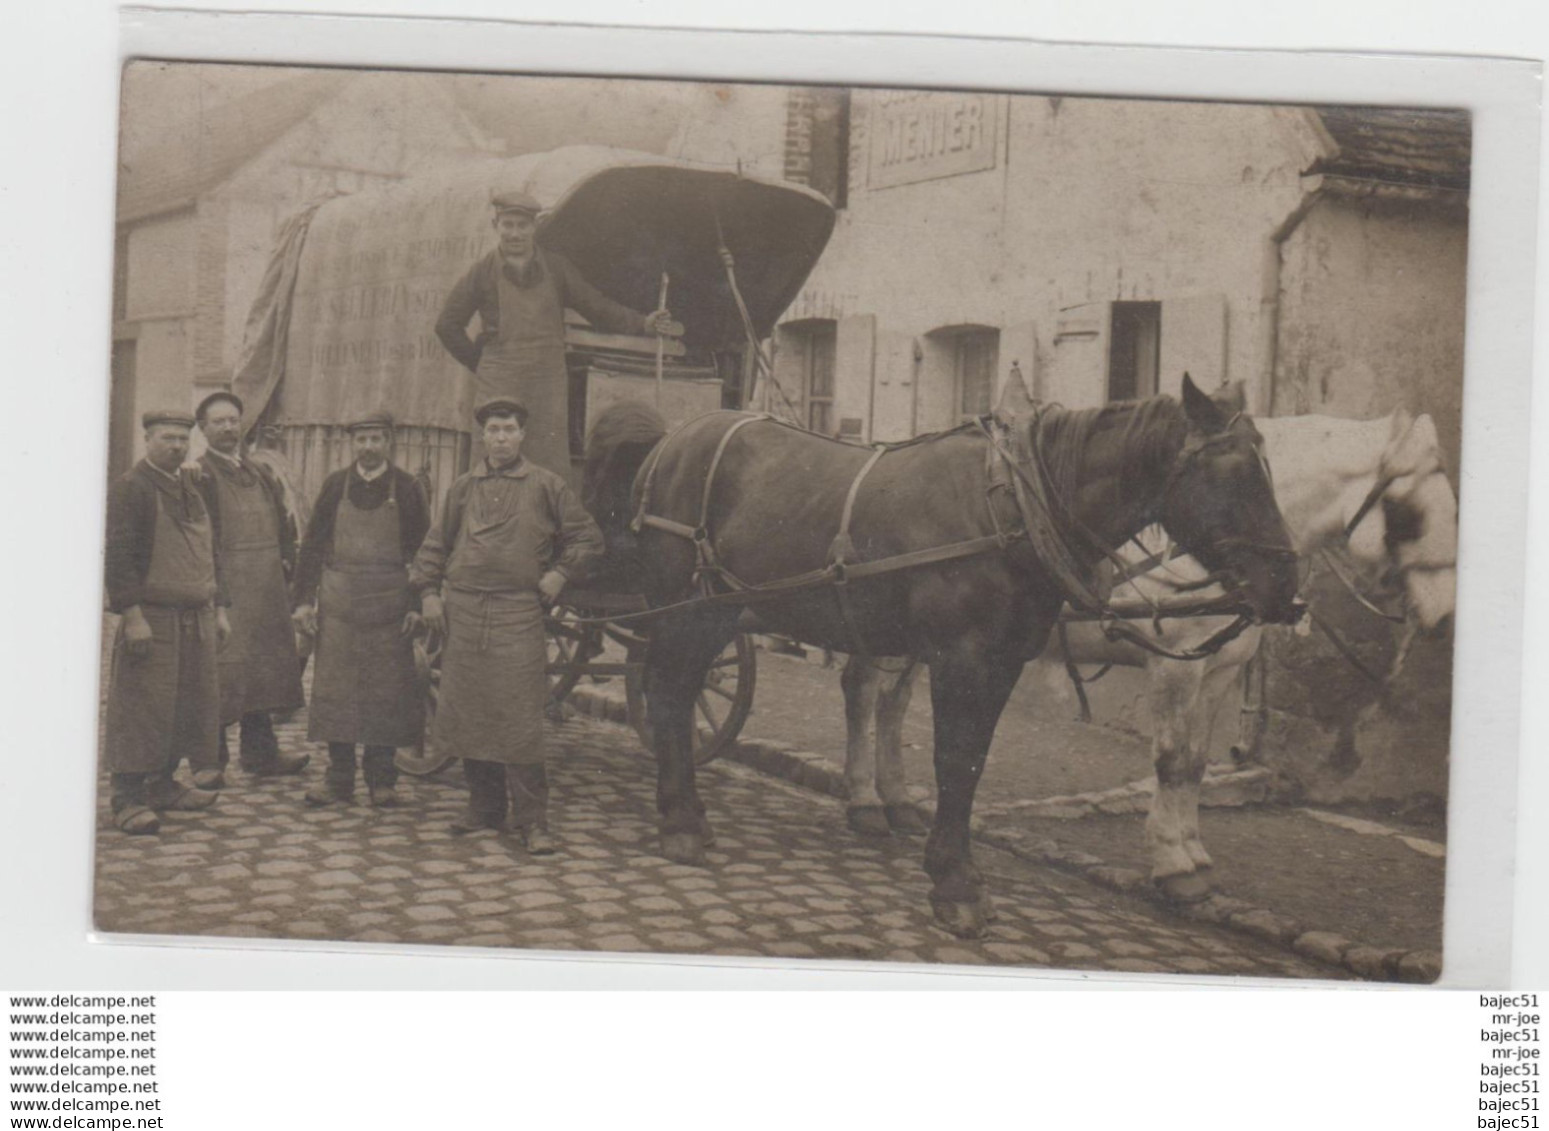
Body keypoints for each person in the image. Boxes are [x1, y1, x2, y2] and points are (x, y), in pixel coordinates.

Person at [410, 396, 604, 854]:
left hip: (518, 612)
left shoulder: (546, 485)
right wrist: (429, 592)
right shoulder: (462, 488)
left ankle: (534, 821)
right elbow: (435, 545)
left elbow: (588, 538)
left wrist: (559, 574)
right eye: (493, 430)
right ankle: (485, 808)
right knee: (469, 709)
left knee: (519, 717)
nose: (500, 438)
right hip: (465, 610)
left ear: (522, 436)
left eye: (508, 430)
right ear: (484, 437)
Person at [434, 189, 679, 477]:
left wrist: (643, 323)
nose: (515, 234)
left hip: (546, 381)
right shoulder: (482, 273)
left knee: (547, 466)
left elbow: (596, 306)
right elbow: (447, 325)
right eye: (507, 225)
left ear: (534, 227)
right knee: (494, 462)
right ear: (495, 226)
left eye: (522, 225)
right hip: (499, 381)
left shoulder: (556, 267)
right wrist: (482, 363)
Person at [291, 411, 431, 808]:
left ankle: (382, 780)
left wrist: (418, 604)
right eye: (362, 439)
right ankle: (338, 779)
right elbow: (312, 545)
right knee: (337, 691)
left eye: (376, 439)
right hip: (339, 604)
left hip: (390, 604)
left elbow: (423, 552)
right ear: (352, 444)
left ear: (389, 442)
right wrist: (303, 601)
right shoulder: (335, 485)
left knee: (387, 693)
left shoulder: (406, 488)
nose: (368, 447)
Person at [102, 410, 231, 834]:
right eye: (167, 439)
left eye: (182, 439)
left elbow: (213, 552)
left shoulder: (193, 485)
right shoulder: (131, 488)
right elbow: (118, 558)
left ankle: (163, 785)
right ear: (148, 439)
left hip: (197, 615)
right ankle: (127, 797)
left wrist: (221, 609)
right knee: (144, 706)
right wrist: (133, 615)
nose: (176, 446)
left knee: (186, 705)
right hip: (153, 616)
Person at [195, 391, 309, 786]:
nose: (228, 427)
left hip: (265, 587)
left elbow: (283, 525)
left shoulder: (259, 471)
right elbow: (199, 539)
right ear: (204, 429)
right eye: (219, 422)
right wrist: (215, 590)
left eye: (233, 420)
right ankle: (211, 760)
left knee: (263, 670)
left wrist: (287, 567)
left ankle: (261, 753)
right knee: (221, 673)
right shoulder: (201, 475)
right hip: (227, 587)